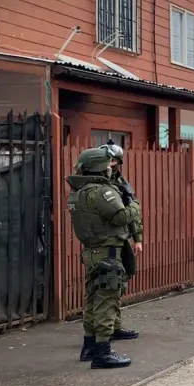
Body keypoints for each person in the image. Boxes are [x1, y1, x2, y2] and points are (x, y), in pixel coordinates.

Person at [67, 147, 140, 369]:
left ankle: (89, 347)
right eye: (108, 165)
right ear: (99, 166)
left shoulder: (78, 191)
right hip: (108, 253)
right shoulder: (101, 192)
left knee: (91, 299)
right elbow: (120, 216)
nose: (111, 168)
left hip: (91, 251)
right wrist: (134, 204)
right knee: (107, 300)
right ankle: (103, 353)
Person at [101, 141, 142, 342]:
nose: (111, 164)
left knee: (120, 281)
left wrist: (137, 238)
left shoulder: (121, 182)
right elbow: (126, 212)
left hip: (121, 238)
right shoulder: (101, 185)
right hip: (108, 241)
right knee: (109, 287)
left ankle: (113, 326)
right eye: (109, 160)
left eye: (114, 160)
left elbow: (132, 211)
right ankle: (103, 333)